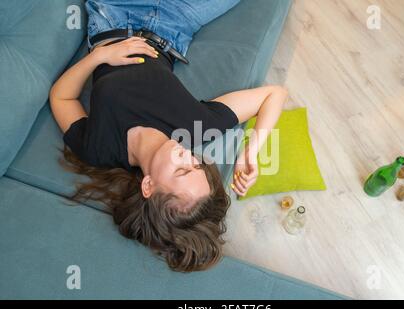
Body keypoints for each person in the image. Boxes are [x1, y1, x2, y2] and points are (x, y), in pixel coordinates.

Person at [49, 0, 288, 272]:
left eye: (181, 171)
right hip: (175, 21)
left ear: (148, 187)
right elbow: (274, 95)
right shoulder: (195, 128)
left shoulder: (99, 149)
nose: (187, 155)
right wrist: (251, 151)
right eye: (196, 165)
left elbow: (61, 97)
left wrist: (99, 58)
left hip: (112, 14)